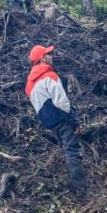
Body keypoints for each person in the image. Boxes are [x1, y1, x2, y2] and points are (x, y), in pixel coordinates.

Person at [25, 45, 84, 191]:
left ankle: (71, 182)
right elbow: (62, 102)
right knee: (72, 150)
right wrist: (74, 121)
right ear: (43, 58)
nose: (51, 56)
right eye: (48, 54)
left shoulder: (29, 85)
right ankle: (79, 187)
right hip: (62, 119)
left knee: (65, 149)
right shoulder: (49, 76)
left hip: (50, 124)